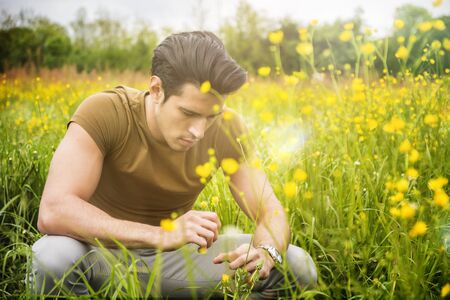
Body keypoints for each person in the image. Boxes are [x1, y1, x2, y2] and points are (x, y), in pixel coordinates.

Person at [29, 31, 317, 299]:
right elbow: (54, 209)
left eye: (211, 116)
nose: (199, 131)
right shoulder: (105, 111)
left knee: (296, 264)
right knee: (51, 257)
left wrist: (267, 251)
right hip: (96, 253)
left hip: (173, 260)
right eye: (188, 113)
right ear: (156, 89)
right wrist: (159, 234)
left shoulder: (229, 128)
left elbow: (269, 209)